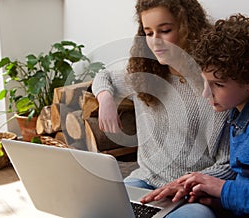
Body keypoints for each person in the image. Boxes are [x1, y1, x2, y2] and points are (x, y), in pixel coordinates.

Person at [92, 0, 236, 217]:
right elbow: (104, 76)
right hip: (145, 181)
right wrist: (105, 99)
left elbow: (227, 163)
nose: (155, 41)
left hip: (191, 193)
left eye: (165, 30)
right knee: (99, 208)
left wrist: (185, 184)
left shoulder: (217, 86)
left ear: (190, 29)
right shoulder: (146, 74)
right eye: (148, 33)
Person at [141, 14, 249, 217]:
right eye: (205, 81)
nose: (206, 93)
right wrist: (218, 199)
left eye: (218, 85)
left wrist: (223, 190)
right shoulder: (238, 110)